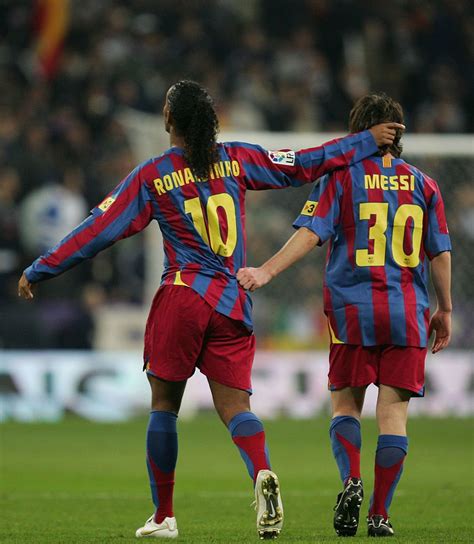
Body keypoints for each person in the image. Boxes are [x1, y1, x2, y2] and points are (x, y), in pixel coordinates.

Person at [18, 80, 402, 540]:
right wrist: (365, 141)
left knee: (164, 405)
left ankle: (163, 516)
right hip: (233, 298)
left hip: (183, 294)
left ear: (169, 121)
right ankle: (261, 472)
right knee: (236, 407)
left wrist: (42, 268)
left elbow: (100, 228)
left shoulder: (155, 174)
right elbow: (304, 164)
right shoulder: (238, 158)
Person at [237, 93, 452, 538]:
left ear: (360, 132)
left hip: (353, 310)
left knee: (346, 407)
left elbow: (311, 233)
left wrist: (266, 270)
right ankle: (379, 514)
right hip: (407, 312)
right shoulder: (425, 185)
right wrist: (444, 308)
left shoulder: (342, 177)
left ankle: (351, 479)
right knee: (393, 416)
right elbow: (441, 253)